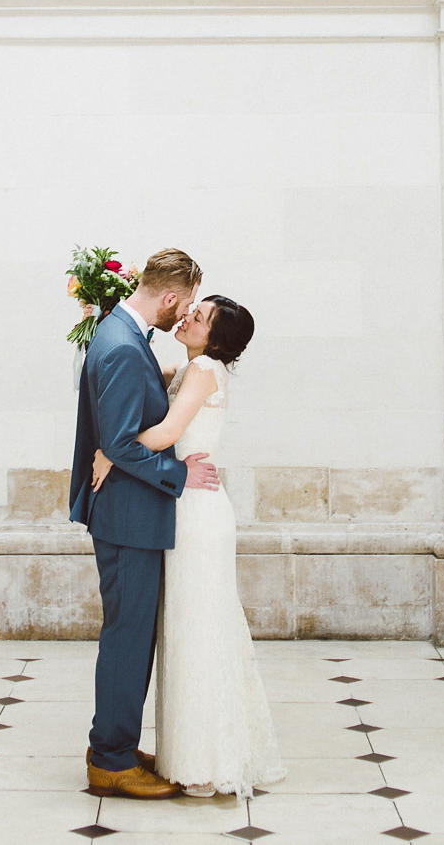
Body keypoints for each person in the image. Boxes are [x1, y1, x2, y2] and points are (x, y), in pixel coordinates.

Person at [91, 294, 286, 799]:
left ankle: (203, 760)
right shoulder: (193, 365)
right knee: (184, 626)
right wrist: (104, 310)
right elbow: (140, 369)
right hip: (186, 505)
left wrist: (109, 454)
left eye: (197, 318)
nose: (187, 317)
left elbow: (168, 430)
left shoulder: (202, 371)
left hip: (196, 514)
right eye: (191, 308)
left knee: (196, 628)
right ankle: (187, 751)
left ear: (215, 340)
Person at [69, 247, 219, 801]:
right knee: (128, 638)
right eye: (186, 306)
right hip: (128, 516)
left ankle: (117, 744)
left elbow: (120, 433)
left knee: (129, 635)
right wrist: (177, 472)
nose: (183, 317)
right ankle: (109, 759)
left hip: (126, 514)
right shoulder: (125, 347)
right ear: (172, 296)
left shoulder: (120, 336)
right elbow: (123, 443)